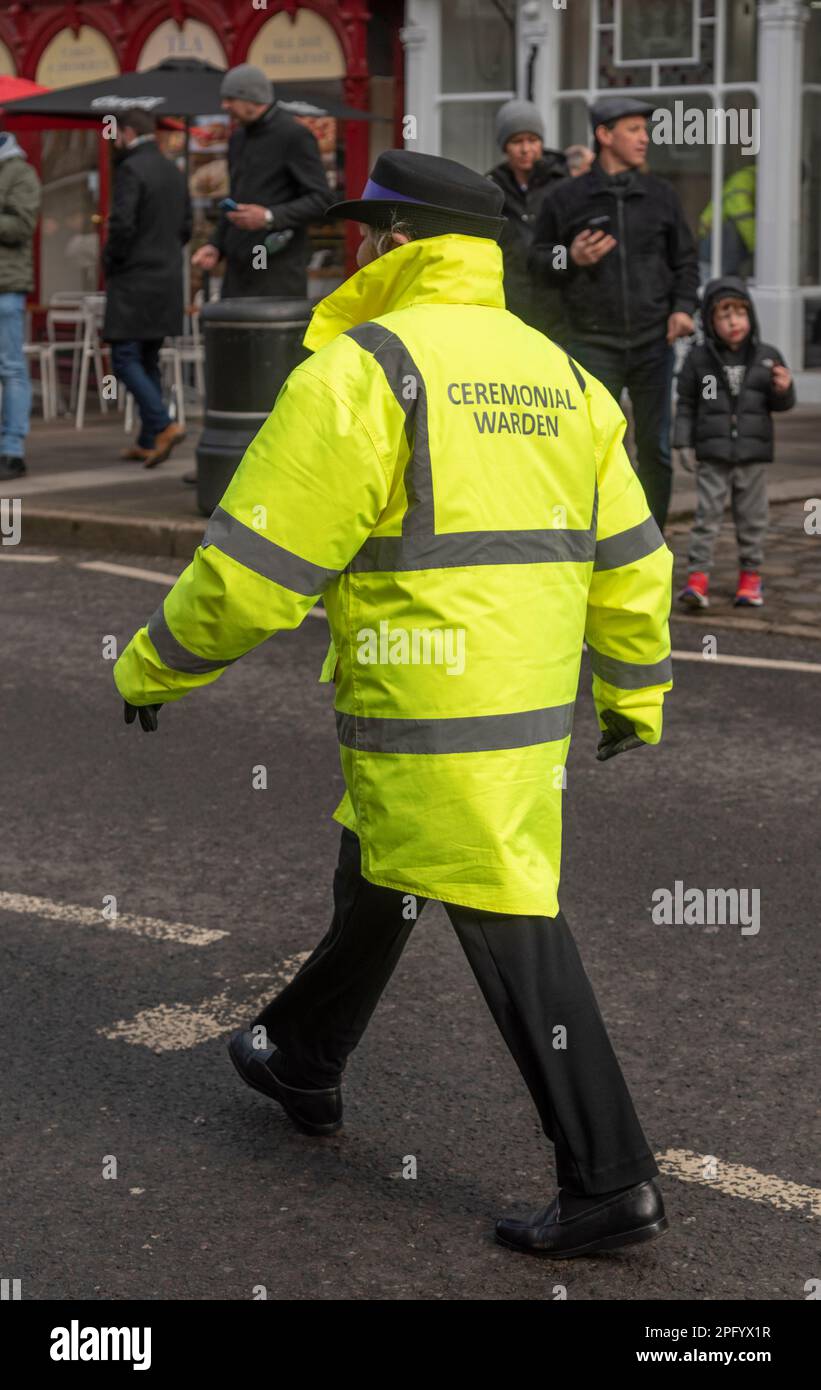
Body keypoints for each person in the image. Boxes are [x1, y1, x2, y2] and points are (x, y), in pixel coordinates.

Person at [113, 148, 674, 1260]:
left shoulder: (366, 369)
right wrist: (632, 693)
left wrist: (152, 664)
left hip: (425, 707)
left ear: (395, 242)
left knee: (505, 916)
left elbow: (254, 569)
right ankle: (299, 1054)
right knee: (378, 873)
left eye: (372, 231)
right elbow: (632, 563)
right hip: (521, 714)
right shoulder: (564, 375)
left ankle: (610, 1177)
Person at [528, 95, 700, 532]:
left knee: (655, 448)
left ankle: (652, 539)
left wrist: (683, 309)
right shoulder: (564, 198)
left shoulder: (661, 195)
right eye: (634, 130)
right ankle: (590, 537)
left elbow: (686, 261)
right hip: (590, 342)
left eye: (645, 129)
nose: (645, 138)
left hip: (652, 343)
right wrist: (571, 257)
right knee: (588, 446)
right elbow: (537, 262)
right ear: (605, 136)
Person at [673, 276, 795, 610]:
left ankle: (750, 578)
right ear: (710, 323)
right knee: (706, 517)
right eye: (724, 315)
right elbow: (685, 404)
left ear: (750, 316)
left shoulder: (767, 356)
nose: (733, 322)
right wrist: (682, 442)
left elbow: (780, 403)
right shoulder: (699, 360)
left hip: (752, 455)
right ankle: (697, 580)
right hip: (713, 454)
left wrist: (784, 389)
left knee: (753, 518)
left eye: (739, 314)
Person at [191, 64, 332, 299]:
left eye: (230, 99)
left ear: (251, 99)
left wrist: (269, 216)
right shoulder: (238, 138)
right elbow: (236, 200)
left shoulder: (294, 135)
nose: (224, 106)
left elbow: (322, 200)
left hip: (277, 272)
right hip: (237, 271)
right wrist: (216, 246)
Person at [102, 108, 191, 468]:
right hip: (167, 278)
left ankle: (163, 424)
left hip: (133, 279)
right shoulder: (172, 169)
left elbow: (122, 224)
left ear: (125, 132)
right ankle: (148, 438)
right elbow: (186, 227)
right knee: (148, 357)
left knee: (123, 358)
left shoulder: (130, 168)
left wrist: (112, 260)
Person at [486, 99, 568, 338]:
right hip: (511, 304)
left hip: (558, 304)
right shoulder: (492, 189)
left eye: (532, 140)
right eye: (516, 141)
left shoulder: (563, 185)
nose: (525, 149)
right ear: (504, 146)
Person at [0, 130, 41, 482]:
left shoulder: (19, 172)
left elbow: (22, 225)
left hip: (6, 286)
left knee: (10, 368)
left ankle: (12, 451)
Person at [697, 165, 756, 285]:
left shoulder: (749, 179)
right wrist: (758, 248)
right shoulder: (746, 179)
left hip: (719, 246)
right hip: (717, 243)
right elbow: (742, 215)